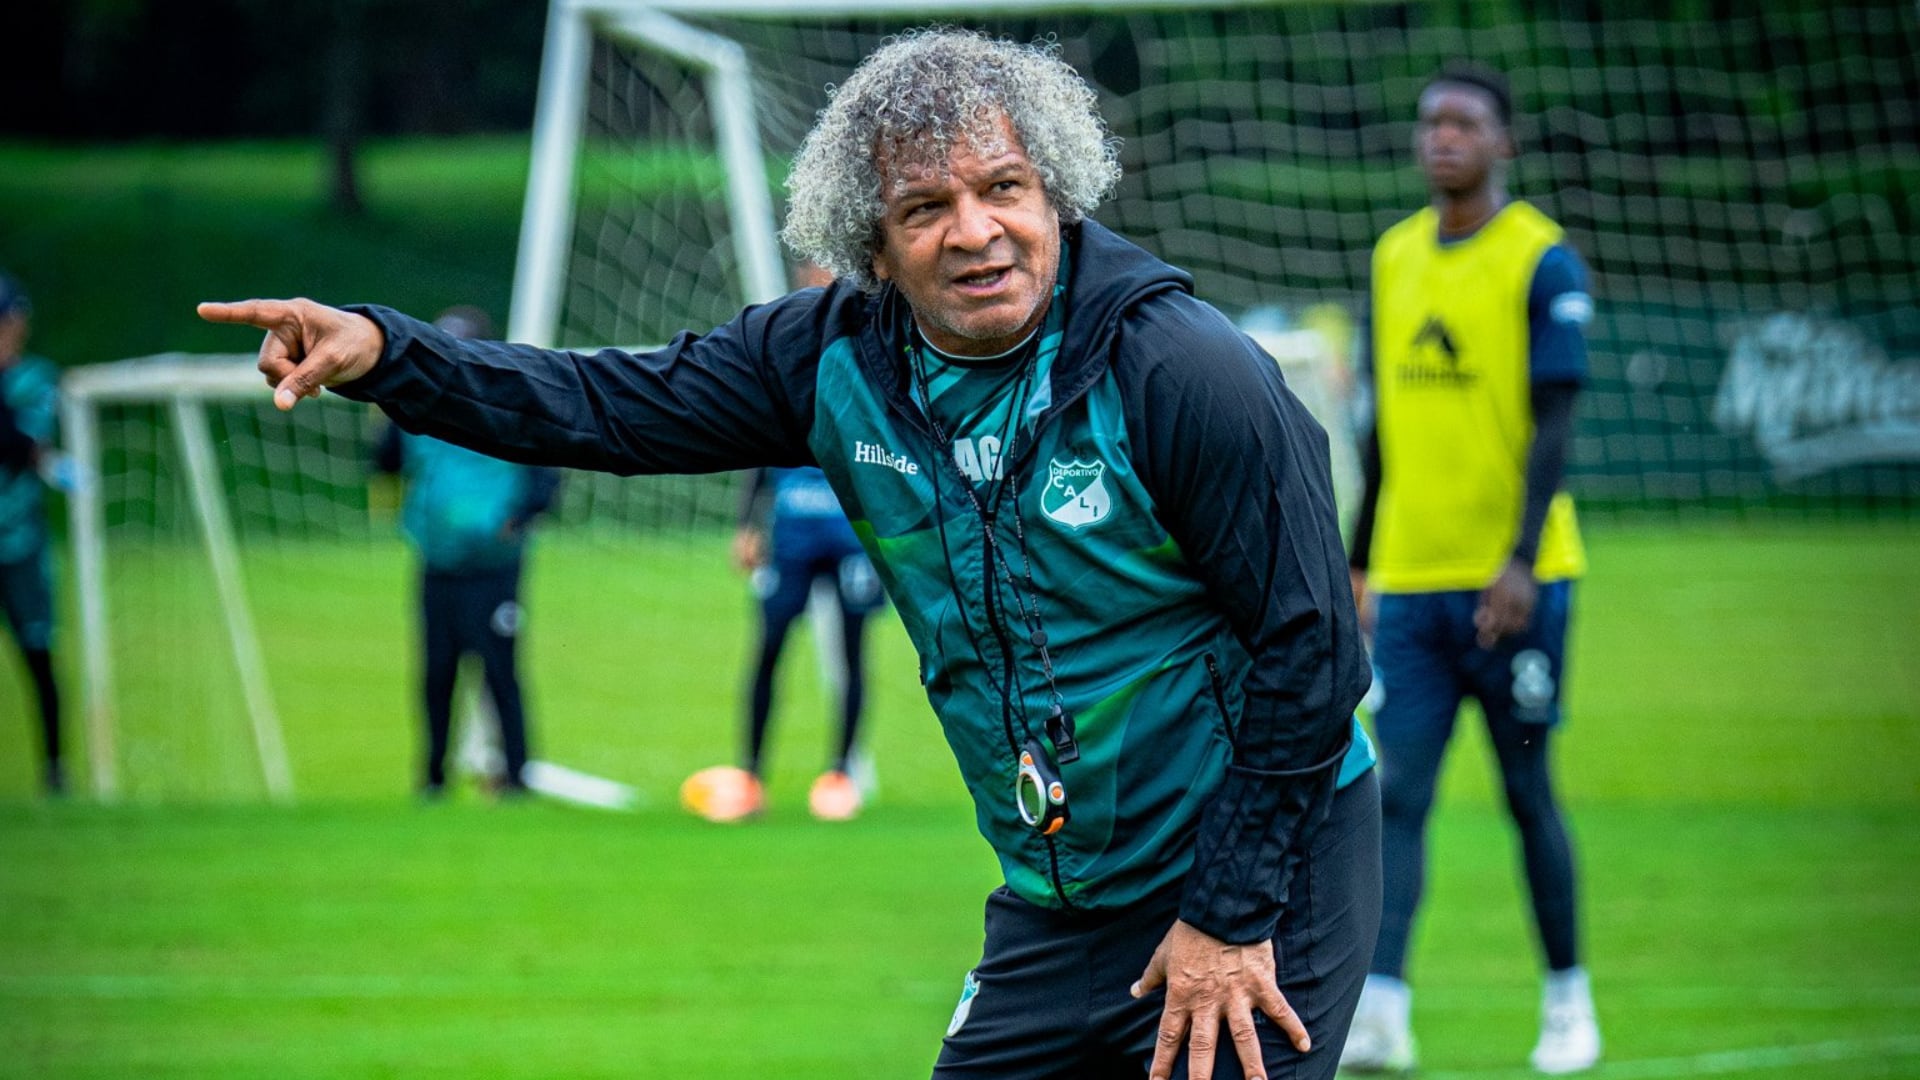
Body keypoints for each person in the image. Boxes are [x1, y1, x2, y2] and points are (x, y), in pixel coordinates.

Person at [201, 30, 1379, 1080]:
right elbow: (600, 405)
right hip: (1061, 897)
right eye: (926, 208)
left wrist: (1228, 915)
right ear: (871, 243)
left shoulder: (1183, 370)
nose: (975, 231)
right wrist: (385, 356)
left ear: (1056, 194)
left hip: (1262, 867)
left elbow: (1313, 647)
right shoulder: (826, 361)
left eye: (1004, 189)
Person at [1340, 65, 1600, 1075]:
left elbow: (1558, 422)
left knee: (1527, 790)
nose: (1443, 136)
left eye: (1465, 123)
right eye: (1432, 121)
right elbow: (1380, 436)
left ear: (1504, 143)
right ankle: (1382, 1010)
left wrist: (1521, 562)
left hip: (1515, 584)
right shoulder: (1394, 256)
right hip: (1409, 582)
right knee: (1394, 792)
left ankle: (1569, 1003)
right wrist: (1361, 564)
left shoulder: (1543, 261)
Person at [372, 305, 561, 798]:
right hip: (437, 559)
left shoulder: (511, 399)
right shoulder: (417, 407)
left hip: (495, 563)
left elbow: (548, 468)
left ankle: (517, 777)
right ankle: (433, 780)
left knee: (500, 672)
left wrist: (516, 522)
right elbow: (386, 461)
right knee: (437, 672)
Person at [689, 464, 885, 823]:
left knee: (851, 655)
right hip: (791, 535)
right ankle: (751, 778)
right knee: (768, 649)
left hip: (850, 535)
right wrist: (746, 524)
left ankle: (839, 777)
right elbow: (762, 447)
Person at [0, 271, 66, 797]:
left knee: (37, 652)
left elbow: (24, 443)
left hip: (19, 542)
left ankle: (55, 769)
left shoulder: (35, 380)